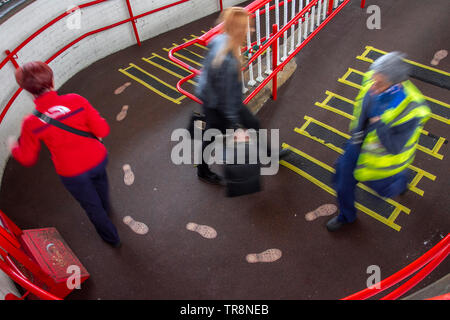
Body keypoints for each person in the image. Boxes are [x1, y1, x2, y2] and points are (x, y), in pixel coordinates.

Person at [7, 61, 121, 247]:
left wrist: (13, 147)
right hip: (97, 158)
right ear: (52, 82)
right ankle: (107, 210)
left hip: (72, 173)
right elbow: (103, 129)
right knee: (101, 186)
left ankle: (112, 238)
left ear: (27, 90)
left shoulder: (31, 123)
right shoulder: (76, 100)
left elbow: (27, 158)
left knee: (91, 207)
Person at [326, 52, 431, 232]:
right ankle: (346, 216)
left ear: (397, 84)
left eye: (380, 84)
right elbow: (363, 105)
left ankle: (401, 182)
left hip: (381, 160)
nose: (373, 87)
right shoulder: (373, 78)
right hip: (357, 145)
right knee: (343, 183)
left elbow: (396, 147)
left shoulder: (413, 109)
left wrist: (379, 124)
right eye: (373, 80)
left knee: (384, 191)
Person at [195, 7, 287, 184]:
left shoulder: (220, 39)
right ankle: (203, 171)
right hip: (217, 104)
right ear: (238, 29)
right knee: (214, 136)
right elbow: (227, 100)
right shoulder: (228, 61)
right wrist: (234, 124)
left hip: (213, 97)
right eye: (247, 27)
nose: (250, 30)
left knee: (251, 124)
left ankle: (268, 155)